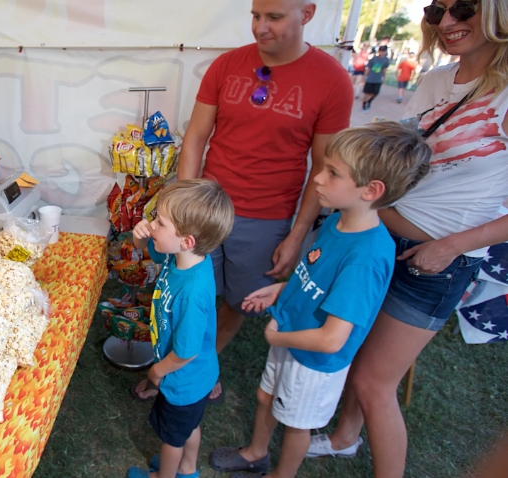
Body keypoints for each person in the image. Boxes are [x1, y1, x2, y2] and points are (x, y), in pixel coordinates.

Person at [305, 1, 508, 477]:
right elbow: (399, 158)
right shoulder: (437, 80)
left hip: (435, 260)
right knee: (357, 351)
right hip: (379, 240)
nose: (449, 22)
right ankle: (343, 437)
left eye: (464, 8)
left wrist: (453, 246)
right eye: (438, 11)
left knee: (376, 382)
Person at [132, 0, 353, 404]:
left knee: (239, 300)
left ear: (307, 14)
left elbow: (323, 168)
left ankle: (202, 365)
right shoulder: (226, 65)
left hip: (268, 215)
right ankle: (176, 360)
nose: (260, 28)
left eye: (274, 17)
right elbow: (196, 137)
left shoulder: (332, 80)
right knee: (188, 289)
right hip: (208, 207)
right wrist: (184, 206)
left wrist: (297, 234)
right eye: (255, 16)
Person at [208, 123, 432, 478]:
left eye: (333, 173)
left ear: (371, 189)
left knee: (297, 424)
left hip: (313, 360)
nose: (318, 179)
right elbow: (314, 277)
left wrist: (276, 336)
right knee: (266, 397)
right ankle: (255, 453)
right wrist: (281, 289)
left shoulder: (367, 256)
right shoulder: (336, 221)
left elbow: (332, 338)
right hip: (292, 335)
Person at [126, 179, 235, 478]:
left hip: (182, 377)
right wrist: (140, 238)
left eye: (159, 222)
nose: (152, 224)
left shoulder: (192, 292)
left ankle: (166, 475)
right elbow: (150, 249)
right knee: (190, 425)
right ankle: (188, 470)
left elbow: (186, 352)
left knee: (172, 436)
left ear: (187, 240)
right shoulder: (184, 258)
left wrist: (157, 371)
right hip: (196, 378)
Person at [362, 45, 391, 110]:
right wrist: (365, 77)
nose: (382, 52)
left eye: (383, 51)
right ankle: (364, 105)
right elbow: (368, 68)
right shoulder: (373, 59)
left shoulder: (385, 60)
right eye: (381, 51)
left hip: (378, 79)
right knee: (367, 92)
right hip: (370, 78)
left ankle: (370, 101)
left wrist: (384, 78)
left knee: (375, 93)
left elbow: (384, 70)